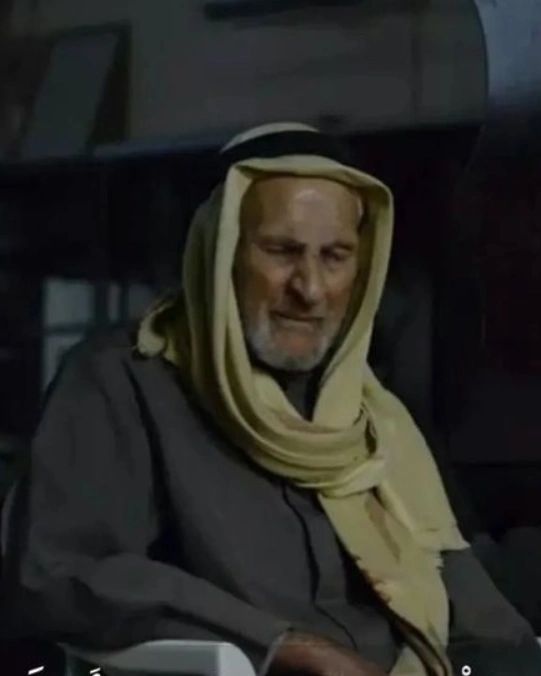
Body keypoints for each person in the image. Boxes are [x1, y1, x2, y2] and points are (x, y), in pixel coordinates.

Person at [2, 122, 541, 676]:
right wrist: (284, 645)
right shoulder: (124, 382)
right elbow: (55, 572)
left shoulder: (376, 414)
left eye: (335, 256)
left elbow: (475, 608)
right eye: (282, 251)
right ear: (220, 253)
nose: (310, 289)